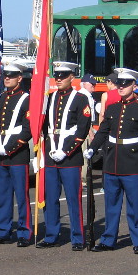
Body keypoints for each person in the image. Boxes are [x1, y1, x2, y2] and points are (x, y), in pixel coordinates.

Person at [85, 67, 138, 254]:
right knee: (111, 206)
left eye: (125, 84)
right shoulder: (113, 108)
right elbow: (103, 131)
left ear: (133, 85)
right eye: (119, 84)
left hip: (132, 163)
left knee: (135, 206)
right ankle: (108, 240)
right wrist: (92, 149)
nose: (121, 87)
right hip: (112, 161)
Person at [36, 61, 91, 251]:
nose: (58, 79)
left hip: (70, 157)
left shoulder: (80, 99)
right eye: (56, 76)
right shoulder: (50, 98)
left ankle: (77, 237)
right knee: (50, 198)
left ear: (72, 77)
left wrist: (66, 150)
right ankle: (51, 235)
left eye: (63, 76)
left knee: (73, 199)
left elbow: (82, 129)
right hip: (51, 155)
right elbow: (43, 126)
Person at [0, 62, 32, 247]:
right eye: (5, 75)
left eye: (11, 76)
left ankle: (24, 232)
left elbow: (28, 129)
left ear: (19, 78)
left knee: (21, 196)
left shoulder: (26, 99)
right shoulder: (1, 98)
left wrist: (10, 147)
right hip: (0, 154)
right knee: (3, 196)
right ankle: (3, 230)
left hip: (17, 154)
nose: (7, 78)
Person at [78, 73, 96, 182]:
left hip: (88, 126)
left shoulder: (87, 95)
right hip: (85, 128)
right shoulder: (83, 96)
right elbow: (85, 118)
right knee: (85, 152)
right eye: (91, 84)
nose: (94, 86)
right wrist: (90, 132)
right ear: (84, 84)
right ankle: (83, 179)